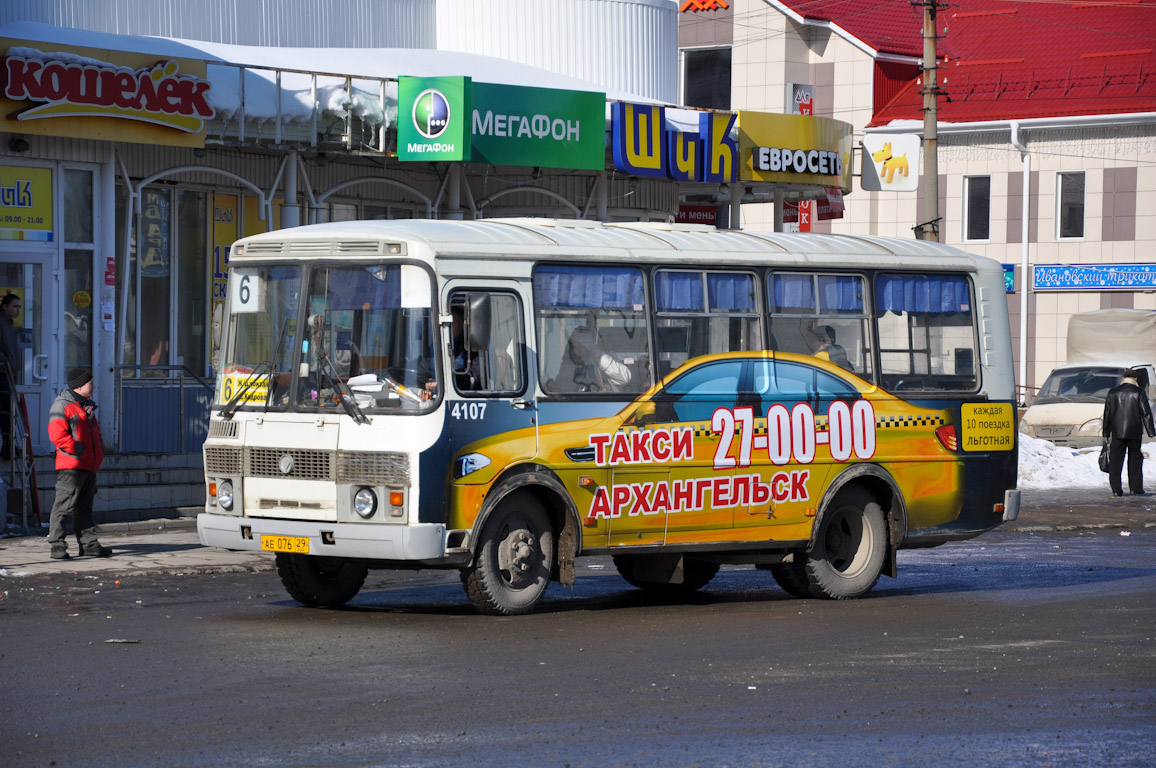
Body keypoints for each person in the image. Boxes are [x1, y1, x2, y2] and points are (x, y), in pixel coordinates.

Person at [46, 368, 111, 559]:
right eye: (91, 382)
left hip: (88, 465)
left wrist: (97, 452)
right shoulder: (62, 405)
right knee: (63, 507)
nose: (94, 385)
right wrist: (77, 449)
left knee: (84, 508)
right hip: (71, 466)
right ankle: (57, 546)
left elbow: (96, 435)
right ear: (80, 385)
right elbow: (57, 435)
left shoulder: (87, 406)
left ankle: (89, 545)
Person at [1102, 368, 1155, 497]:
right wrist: (1151, 432)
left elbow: (1107, 414)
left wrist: (1106, 432)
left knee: (1115, 461)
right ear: (1135, 379)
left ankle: (1116, 489)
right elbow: (1146, 413)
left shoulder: (1113, 392)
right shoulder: (1139, 392)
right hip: (1134, 432)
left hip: (1117, 433)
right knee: (1135, 459)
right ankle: (1135, 488)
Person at [0, 293, 21, 458]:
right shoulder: (1, 322)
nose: (18, 310)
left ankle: (10, 445)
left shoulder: (9, 324)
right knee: (6, 411)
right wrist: (4, 360)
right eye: (15, 306)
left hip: (9, 373)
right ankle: (7, 446)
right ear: (5, 306)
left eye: (19, 307)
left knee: (9, 411)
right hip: (1, 373)